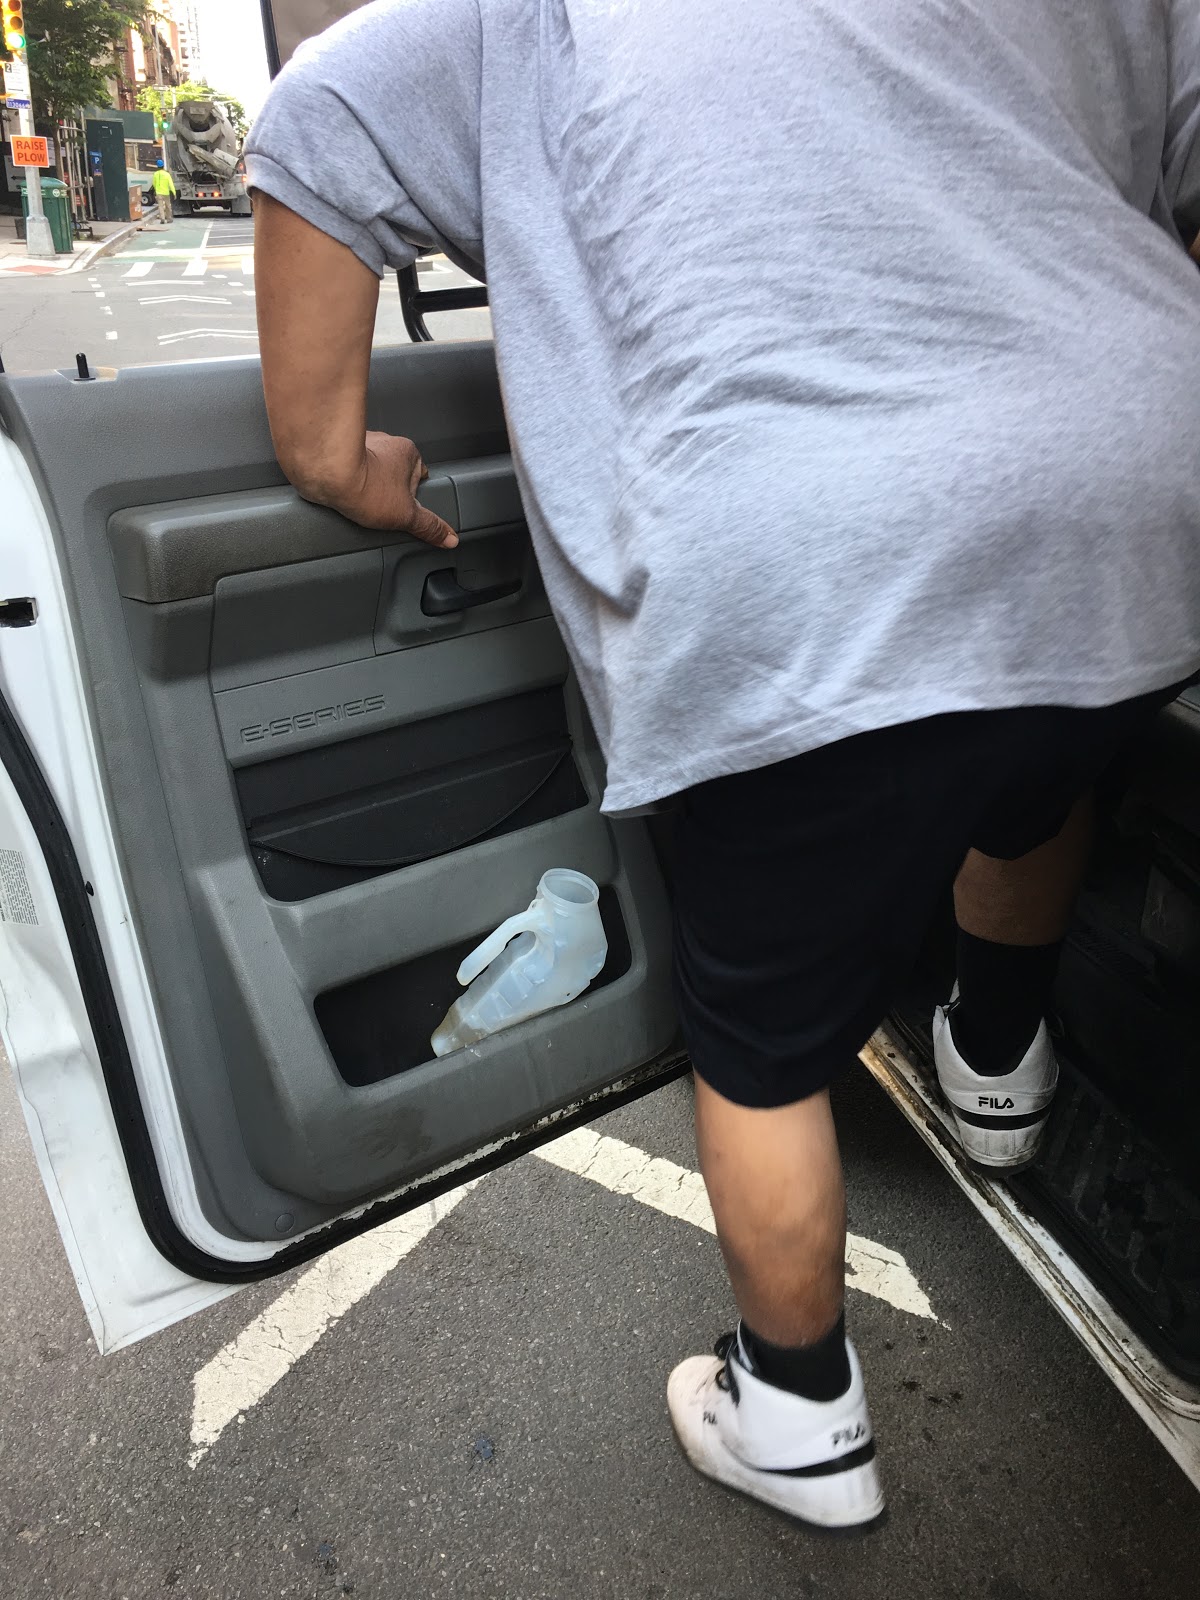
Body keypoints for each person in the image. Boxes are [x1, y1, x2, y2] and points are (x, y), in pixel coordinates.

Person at [244, 0, 1200, 1530]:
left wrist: (331, 457)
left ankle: (799, 1415)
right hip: (1141, 488)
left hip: (796, 542)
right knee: (1036, 749)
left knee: (760, 1041)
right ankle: (997, 1067)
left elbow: (320, 122)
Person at [151, 159, 176, 225]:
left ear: (157, 166)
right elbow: (171, 184)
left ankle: (162, 218)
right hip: (166, 193)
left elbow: (153, 183)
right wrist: (174, 192)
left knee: (160, 206)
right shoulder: (167, 174)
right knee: (168, 206)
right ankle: (169, 218)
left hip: (159, 193)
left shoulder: (155, 174)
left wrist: (156, 189)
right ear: (163, 166)